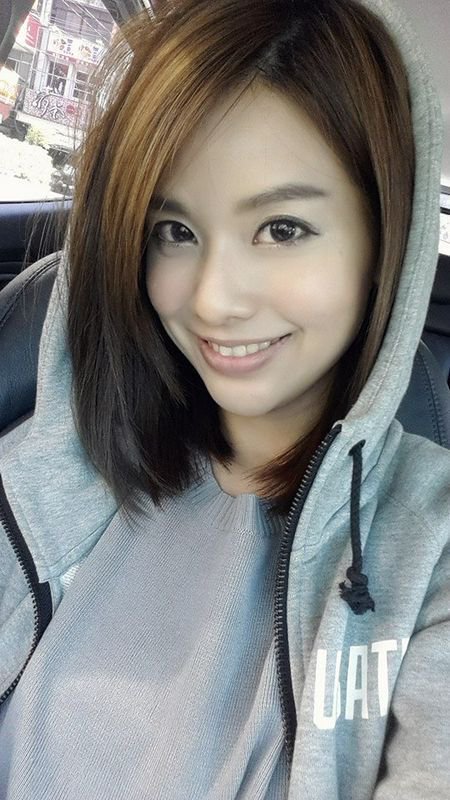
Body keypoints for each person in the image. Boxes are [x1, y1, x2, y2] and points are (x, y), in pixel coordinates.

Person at [0, 0, 448, 797]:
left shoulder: (431, 550)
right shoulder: (43, 475)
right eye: (174, 231)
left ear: (385, 239)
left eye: (281, 228)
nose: (211, 300)